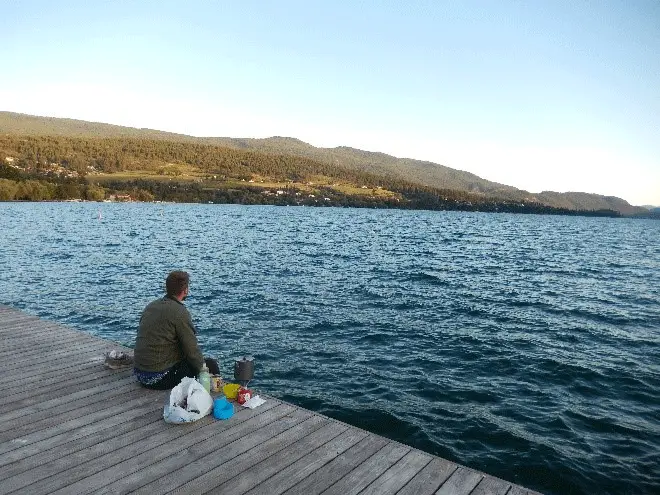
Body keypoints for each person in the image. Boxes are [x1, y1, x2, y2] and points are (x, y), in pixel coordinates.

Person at [133, 270, 219, 390]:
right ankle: (214, 392)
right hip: (159, 379)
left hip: (140, 375)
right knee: (210, 364)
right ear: (185, 290)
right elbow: (192, 350)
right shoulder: (180, 312)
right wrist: (204, 369)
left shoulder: (151, 306)